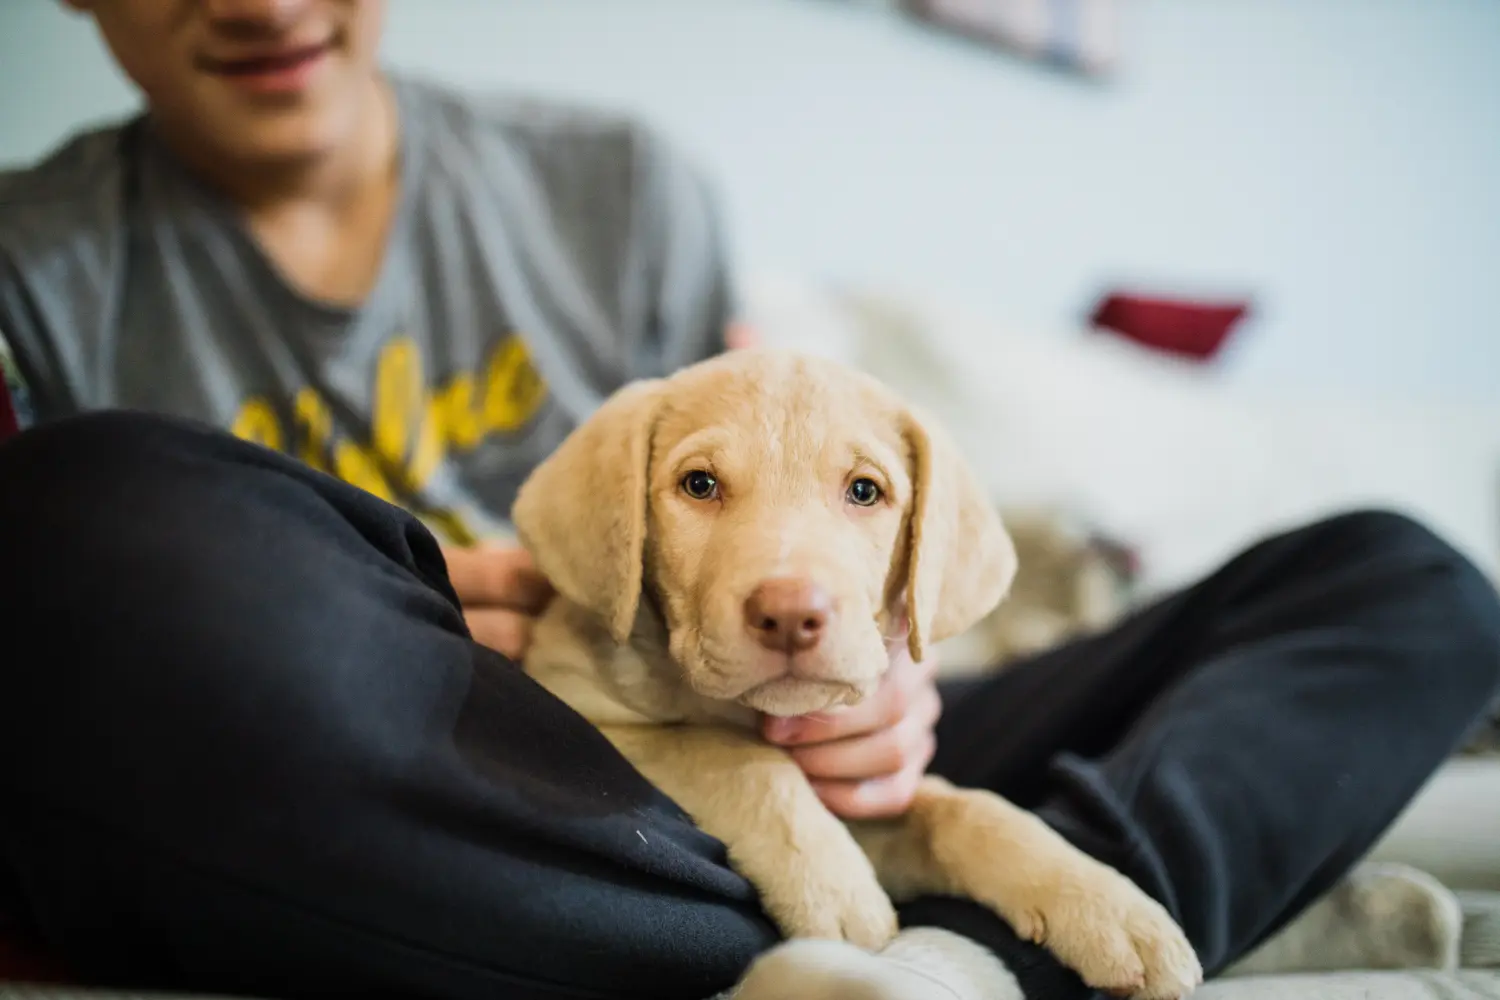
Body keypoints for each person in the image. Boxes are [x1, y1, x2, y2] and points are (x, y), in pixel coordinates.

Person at [0, 2, 1496, 998]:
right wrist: (384, 588)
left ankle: (995, 946)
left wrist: (895, 691)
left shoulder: (620, 187)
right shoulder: (35, 264)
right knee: (80, 516)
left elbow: (783, 506)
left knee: (1408, 584)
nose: (262, 1)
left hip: (780, 722)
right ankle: (909, 939)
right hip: (428, 770)